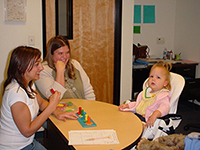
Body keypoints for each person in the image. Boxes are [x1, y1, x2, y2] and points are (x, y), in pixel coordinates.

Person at [0, 46, 78, 150]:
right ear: (21, 66)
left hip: (28, 142)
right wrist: (51, 107)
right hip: (16, 147)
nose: (41, 67)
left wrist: (57, 112)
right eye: (37, 64)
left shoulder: (28, 84)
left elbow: (41, 104)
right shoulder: (15, 93)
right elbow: (27, 131)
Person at [35, 35, 95, 100]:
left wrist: (91, 106)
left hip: (80, 108)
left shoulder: (75, 64)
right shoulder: (43, 70)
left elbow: (88, 91)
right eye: (60, 53)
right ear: (51, 54)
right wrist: (60, 70)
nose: (64, 57)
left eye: (67, 52)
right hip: (58, 109)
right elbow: (55, 97)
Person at [119, 61, 172, 128]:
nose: (153, 79)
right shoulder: (145, 92)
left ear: (165, 83)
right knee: (122, 119)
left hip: (147, 120)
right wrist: (127, 106)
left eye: (158, 77)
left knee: (138, 128)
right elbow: (139, 104)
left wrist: (155, 115)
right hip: (137, 115)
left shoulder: (163, 95)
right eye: (151, 76)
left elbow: (165, 107)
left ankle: (139, 137)